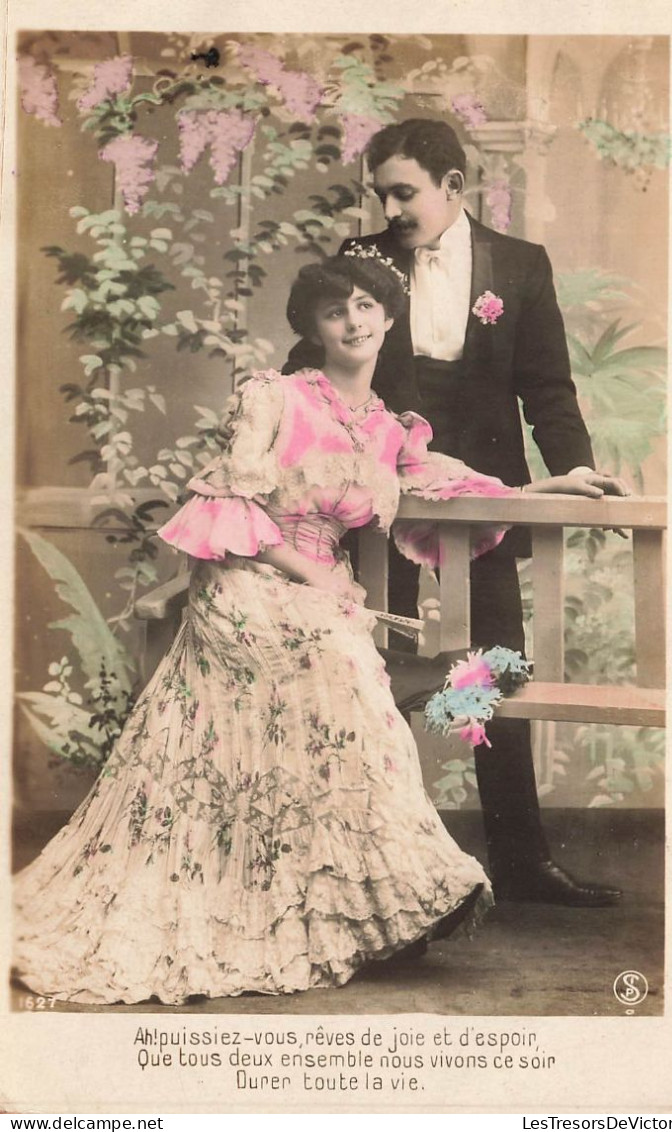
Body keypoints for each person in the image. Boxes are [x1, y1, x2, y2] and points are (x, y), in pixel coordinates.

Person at [13, 256, 617, 1006]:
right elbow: (236, 506)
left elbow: (454, 481)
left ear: (389, 319)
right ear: (314, 327)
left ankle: (384, 895)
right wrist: (317, 576)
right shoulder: (276, 398)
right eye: (336, 312)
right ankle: (373, 890)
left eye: (368, 307)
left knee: (342, 658)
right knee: (340, 658)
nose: (354, 321)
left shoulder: (389, 430)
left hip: (321, 599)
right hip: (248, 587)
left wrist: (549, 485)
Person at [285, 118, 628, 907]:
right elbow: (314, 359)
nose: (393, 207)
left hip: (486, 499)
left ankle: (520, 860)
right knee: (384, 672)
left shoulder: (519, 264)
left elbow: (547, 386)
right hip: (389, 494)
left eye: (406, 191)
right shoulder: (364, 265)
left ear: (455, 187)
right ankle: (389, 866)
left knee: (494, 667)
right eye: (382, 193)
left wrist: (572, 465)